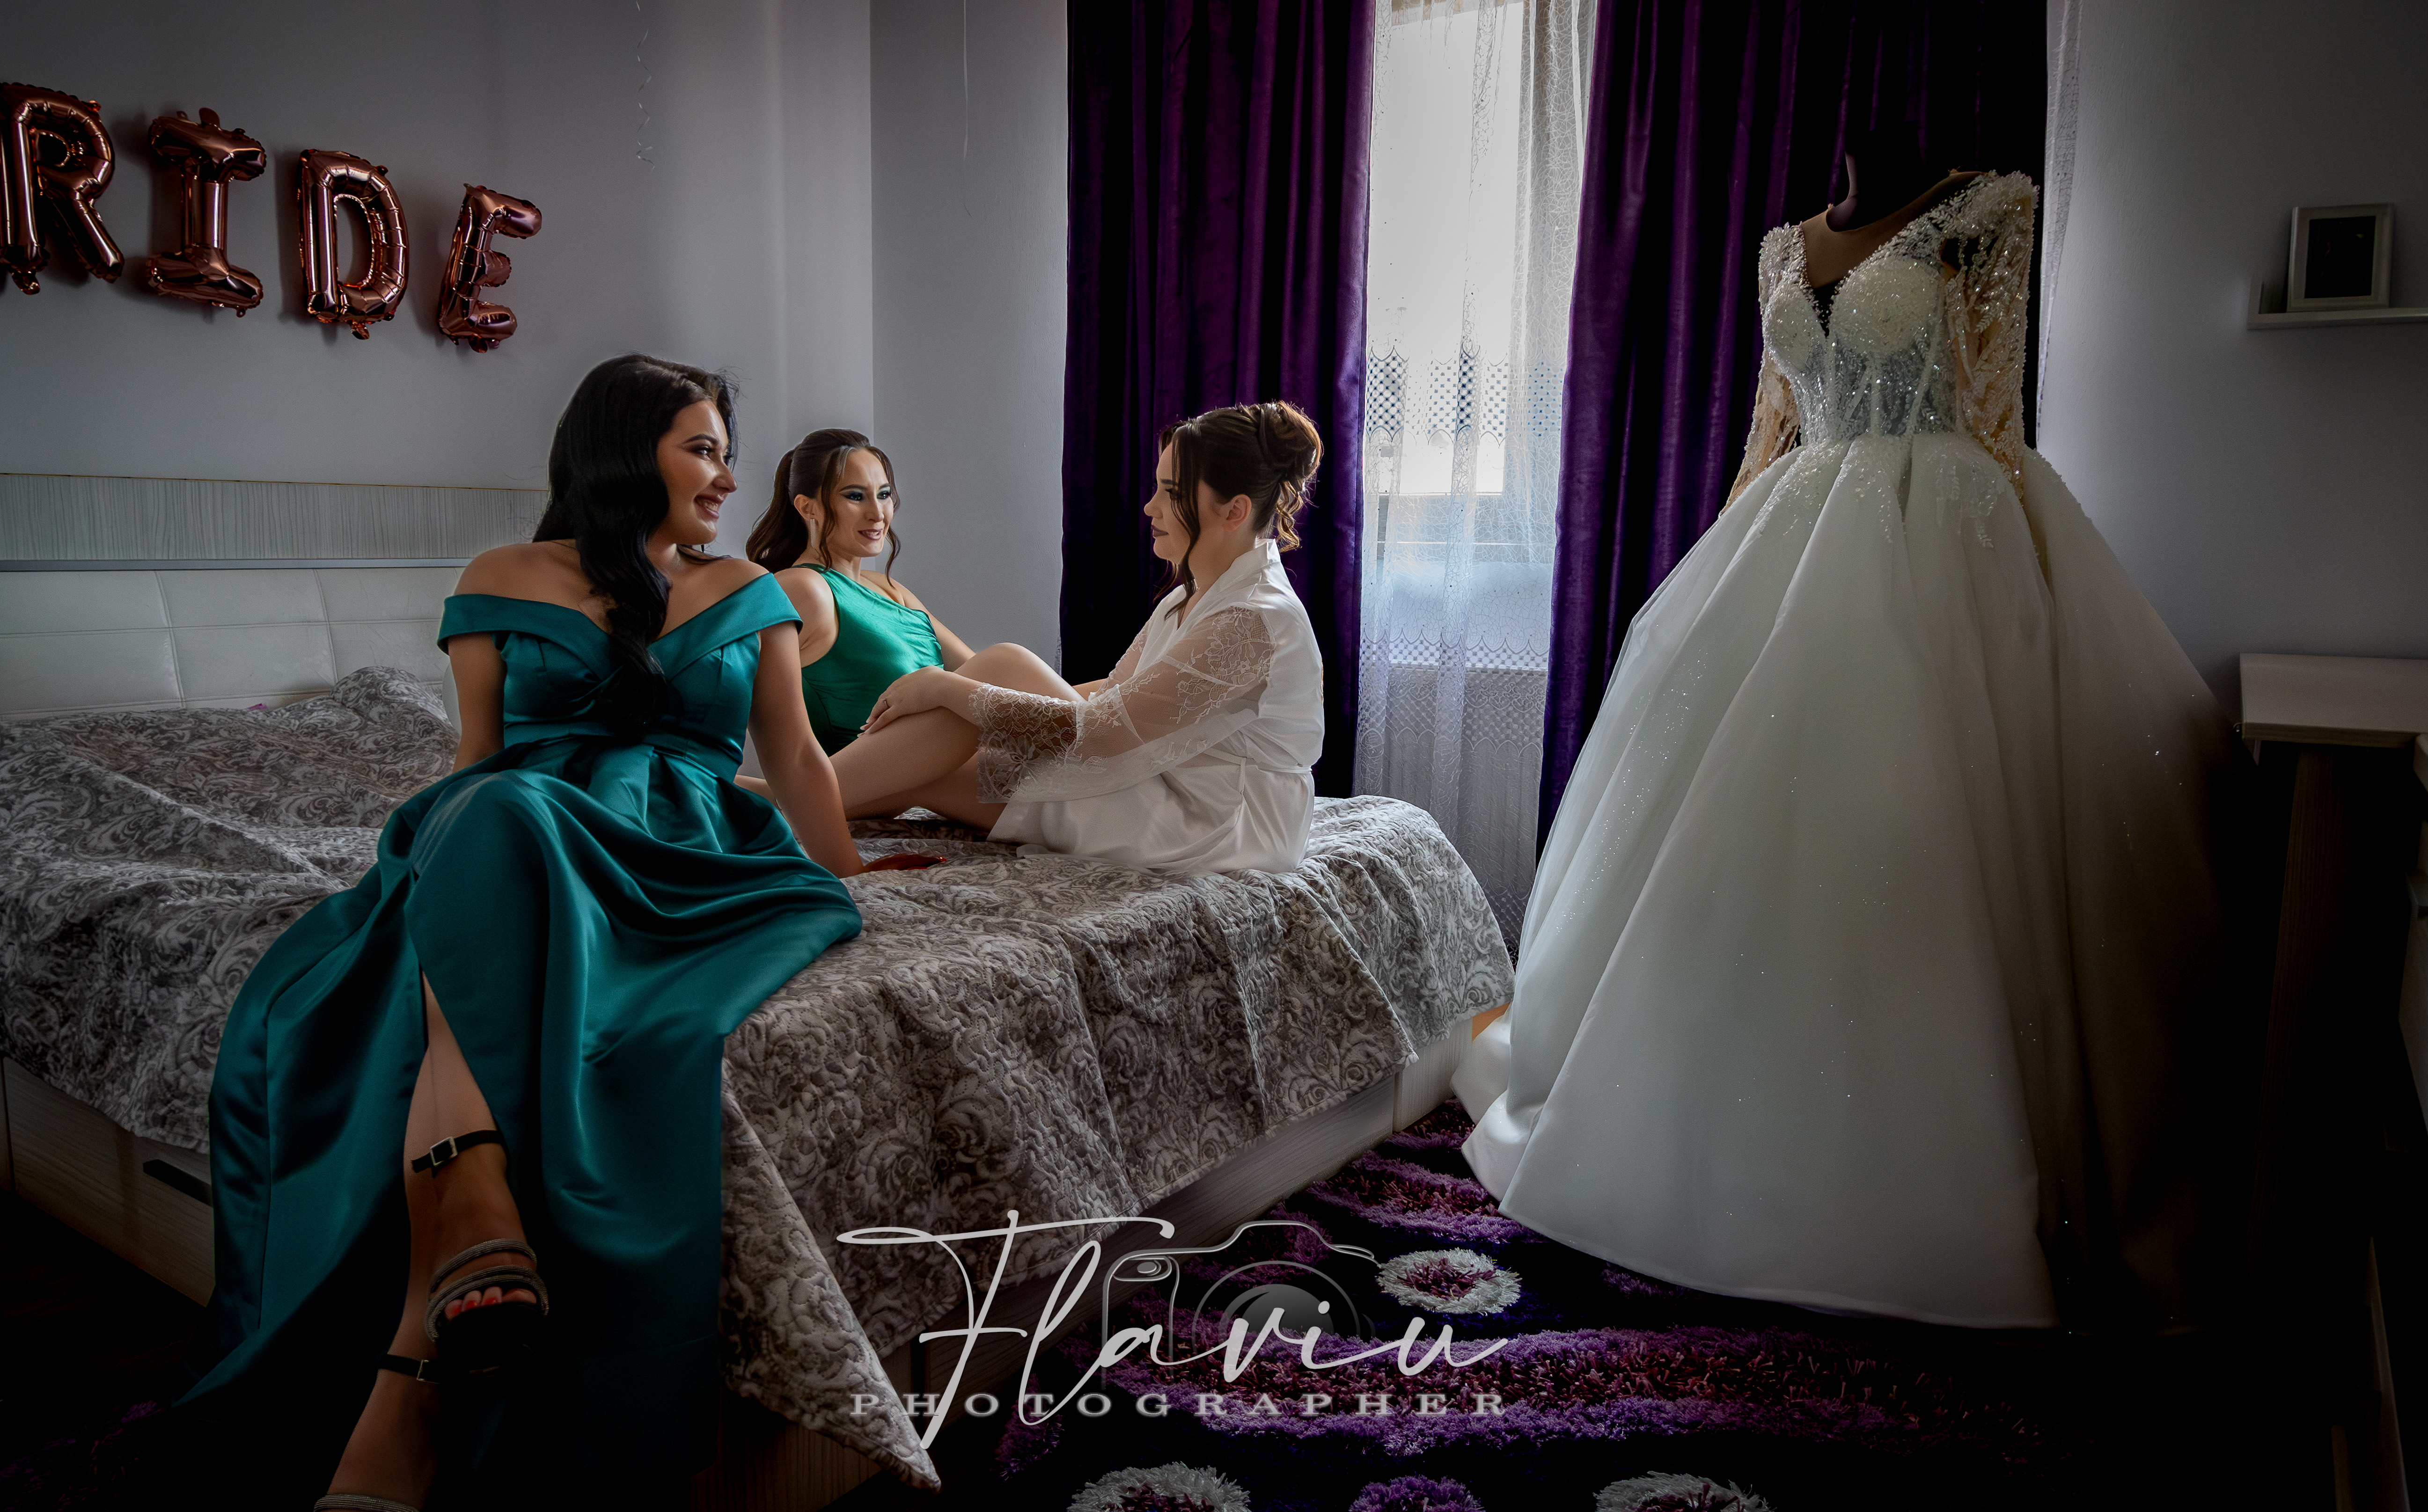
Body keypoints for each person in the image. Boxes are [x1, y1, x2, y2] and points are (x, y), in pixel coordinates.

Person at [1461, 143, 2234, 1332]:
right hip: (1791, 520)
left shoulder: (1989, 207)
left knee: (1905, 828)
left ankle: (1913, 1171)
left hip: (1939, 530)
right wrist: (1710, 592)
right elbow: (1772, 422)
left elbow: (1992, 409)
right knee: (1731, 843)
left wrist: (2019, 587)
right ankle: (1707, 1132)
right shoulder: (1782, 244)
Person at [187, 355, 933, 1506]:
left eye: (726, 452)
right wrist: (433, 860)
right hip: (510, 833)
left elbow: (791, 757)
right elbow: (476, 759)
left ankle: (452, 1247)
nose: (725, 477)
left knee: (501, 820)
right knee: (498, 810)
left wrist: (849, 872)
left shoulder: (749, 587)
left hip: (683, 851)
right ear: (622, 451)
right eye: (701, 449)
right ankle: (457, 1247)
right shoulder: (500, 576)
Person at [826, 401, 1326, 875]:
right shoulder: (1191, 597)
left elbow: (1104, 734)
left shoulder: (1251, 620)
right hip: (1165, 781)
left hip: (1213, 821)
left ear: (1234, 511)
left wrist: (945, 688)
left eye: (1171, 492)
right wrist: (979, 708)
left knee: (1002, 668)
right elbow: (1116, 693)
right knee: (926, 765)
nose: (1150, 507)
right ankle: (795, 800)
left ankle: (795, 792)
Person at [738, 429, 1085, 813]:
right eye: (855, 496)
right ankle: (1110, 744)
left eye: (884, 494)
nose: (878, 513)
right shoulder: (804, 588)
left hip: (953, 767)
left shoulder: (891, 590)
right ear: (808, 508)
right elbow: (752, 702)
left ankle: (1109, 734)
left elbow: (989, 682)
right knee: (1008, 661)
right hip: (879, 779)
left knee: (1093, 689)